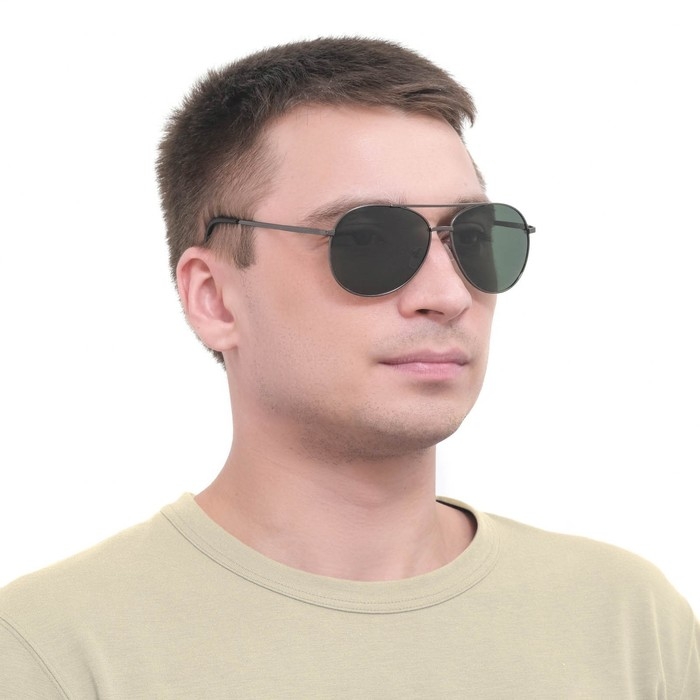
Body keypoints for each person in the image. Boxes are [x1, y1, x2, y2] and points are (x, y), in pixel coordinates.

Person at [0, 37, 697, 698]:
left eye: (475, 238)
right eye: (367, 241)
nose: (449, 294)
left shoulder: (630, 624)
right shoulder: (50, 651)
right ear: (213, 298)